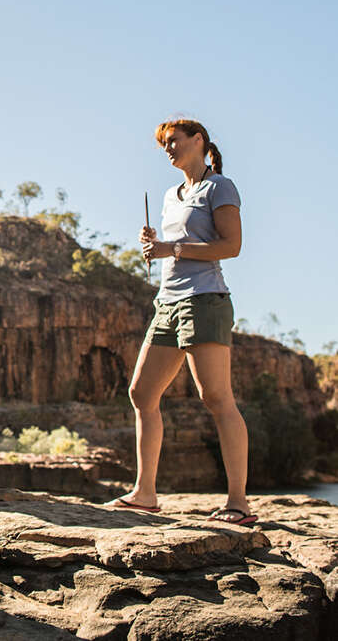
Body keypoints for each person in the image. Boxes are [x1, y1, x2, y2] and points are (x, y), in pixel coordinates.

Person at [107, 118, 254, 526]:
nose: (168, 149)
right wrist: (154, 245)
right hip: (167, 303)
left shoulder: (219, 187)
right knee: (141, 393)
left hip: (204, 300)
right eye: (163, 145)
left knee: (216, 398)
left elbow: (231, 246)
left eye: (173, 141)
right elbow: (174, 248)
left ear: (198, 141)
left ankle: (239, 503)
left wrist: (172, 247)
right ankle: (146, 493)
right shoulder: (173, 195)